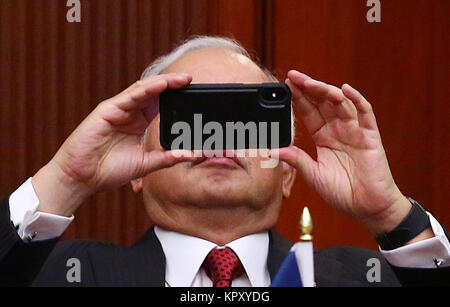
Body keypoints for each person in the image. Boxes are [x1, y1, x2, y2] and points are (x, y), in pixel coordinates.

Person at [1, 36, 449, 287]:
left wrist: (391, 214)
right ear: (137, 161)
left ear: (288, 172)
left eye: (244, 114)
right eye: (193, 113)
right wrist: (65, 179)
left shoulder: (363, 278)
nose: (220, 137)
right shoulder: (58, 275)